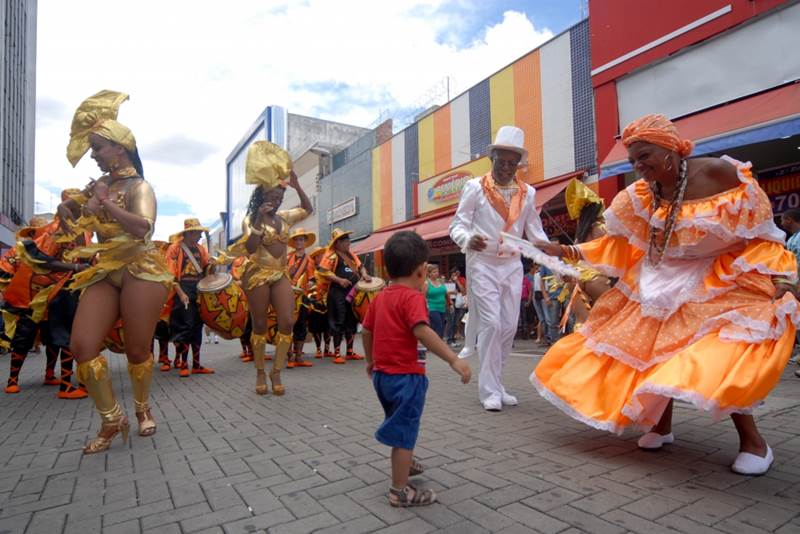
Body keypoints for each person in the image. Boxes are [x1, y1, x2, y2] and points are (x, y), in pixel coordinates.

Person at [532, 114, 798, 475]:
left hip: (721, 276)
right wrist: (566, 251)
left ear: (671, 149)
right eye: (633, 160)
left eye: (644, 156)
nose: (638, 167)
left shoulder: (720, 173)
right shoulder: (641, 194)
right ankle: (661, 425)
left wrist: (782, 277)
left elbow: (761, 233)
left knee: (719, 353)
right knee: (648, 350)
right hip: (660, 278)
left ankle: (755, 443)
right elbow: (617, 243)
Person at [57, 90, 174, 453]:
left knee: (137, 350)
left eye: (97, 148)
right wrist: (69, 210)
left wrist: (105, 201)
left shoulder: (140, 187)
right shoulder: (100, 187)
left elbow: (143, 229)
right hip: (106, 270)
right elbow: (75, 224)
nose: (93, 155)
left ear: (119, 148)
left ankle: (142, 408)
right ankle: (112, 419)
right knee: (82, 346)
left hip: (141, 268)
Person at [362, 231, 471, 507]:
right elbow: (422, 331)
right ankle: (399, 491)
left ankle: (405, 462)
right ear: (421, 271)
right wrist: (453, 359)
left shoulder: (380, 298)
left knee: (398, 422)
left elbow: (367, 330)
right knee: (405, 432)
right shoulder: (412, 299)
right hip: (406, 378)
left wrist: (370, 360)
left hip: (382, 378)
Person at [449, 125, 548, 411]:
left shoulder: (528, 193)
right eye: (500, 161)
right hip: (483, 263)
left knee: (508, 327)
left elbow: (535, 230)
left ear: (518, 164)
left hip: (512, 265)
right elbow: (457, 225)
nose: (505, 167)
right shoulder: (474, 187)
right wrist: (467, 239)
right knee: (491, 324)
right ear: (491, 159)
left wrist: (553, 251)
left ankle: (497, 383)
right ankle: (489, 391)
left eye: (511, 163)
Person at [233, 141, 312, 396]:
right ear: (261, 197)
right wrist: (258, 219)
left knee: (287, 321)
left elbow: (308, 209)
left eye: (279, 198)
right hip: (257, 274)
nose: (276, 202)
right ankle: (259, 372)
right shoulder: (250, 220)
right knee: (259, 324)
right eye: (272, 198)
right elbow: (250, 248)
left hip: (280, 274)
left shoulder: (284, 218)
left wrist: (297, 186)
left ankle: (276, 372)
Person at [165, 218, 215, 377]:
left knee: (197, 326)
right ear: (190, 233)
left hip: (198, 289)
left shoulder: (201, 249)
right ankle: (184, 364)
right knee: (186, 326)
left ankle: (197, 365)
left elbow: (206, 269)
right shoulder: (174, 249)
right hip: (183, 288)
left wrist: (213, 264)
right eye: (198, 233)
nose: (200, 236)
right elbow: (170, 275)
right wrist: (181, 293)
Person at [317, 228, 372, 363]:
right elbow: (323, 271)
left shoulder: (351, 255)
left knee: (352, 320)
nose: (349, 242)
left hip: (353, 292)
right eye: (346, 240)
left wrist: (365, 274)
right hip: (337, 292)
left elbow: (360, 267)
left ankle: (350, 351)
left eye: (348, 240)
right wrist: (339, 280)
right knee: (338, 320)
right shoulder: (331, 255)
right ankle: (337, 353)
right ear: (338, 243)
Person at [286, 228, 317, 368]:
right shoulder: (287, 258)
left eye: (302, 239)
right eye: (297, 239)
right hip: (287, 296)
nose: (299, 242)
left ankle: (298, 356)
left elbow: (312, 278)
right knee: (287, 326)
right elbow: (279, 275)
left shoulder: (309, 260)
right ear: (294, 242)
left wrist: (311, 283)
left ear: (305, 242)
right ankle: (289, 357)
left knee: (301, 325)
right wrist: (289, 271)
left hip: (303, 296)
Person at [307, 248, 333, 358]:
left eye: (323, 255)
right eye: (320, 256)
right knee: (316, 327)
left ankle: (327, 349)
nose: (323, 257)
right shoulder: (311, 270)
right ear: (316, 258)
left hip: (327, 301)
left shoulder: (327, 269)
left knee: (327, 327)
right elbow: (308, 284)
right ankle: (318, 349)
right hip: (315, 301)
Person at [424, 264, 447, 338]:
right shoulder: (427, 283)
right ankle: (437, 343)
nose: (436, 273)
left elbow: (445, 293)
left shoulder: (441, 281)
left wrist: (450, 303)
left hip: (442, 307)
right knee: (439, 325)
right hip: (432, 307)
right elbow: (423, 296)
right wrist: (426, 305)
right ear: (429, 274)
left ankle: (437, 341)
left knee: (441, 326)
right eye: (434, 272)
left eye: (437, 271)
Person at [445, 268, 466, 345]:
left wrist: (457, 281)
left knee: (456, 321)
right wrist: (452, 292)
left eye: (456, 275)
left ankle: (453, 338)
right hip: (450, 302)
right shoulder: (447, 282)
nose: (455, 276)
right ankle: (449, 339)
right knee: (450, 320)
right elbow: (445, 292)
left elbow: (463, 291)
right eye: (453, 275)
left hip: (458, 302)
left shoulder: (459, 281)